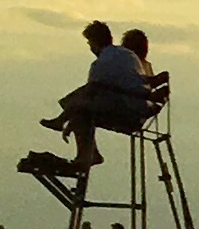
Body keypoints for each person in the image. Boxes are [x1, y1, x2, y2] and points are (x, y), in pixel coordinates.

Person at [20, 19, 162, 195]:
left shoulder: (102, 62)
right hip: (134, 105)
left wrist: (72, 119)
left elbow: (94, 89)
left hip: (129, 110)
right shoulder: (126, 55)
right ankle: (68, 124)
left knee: (85, 103)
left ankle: (70, 128)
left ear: (94, 43)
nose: (90, 48)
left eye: (89, 43)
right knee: (83, 109)